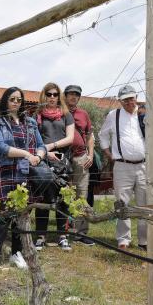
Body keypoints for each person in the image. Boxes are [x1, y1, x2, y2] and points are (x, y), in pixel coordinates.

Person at [0, 87, 47, 272]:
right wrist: (27, 154)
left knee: (21, 213)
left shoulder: (30, 122)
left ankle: (16, 252)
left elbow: (41, 145)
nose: (16, 102)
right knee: (1, 213)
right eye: (12, 99)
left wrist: (40, 156)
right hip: (3, 170)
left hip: (24, 171)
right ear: (5, 101)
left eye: (19, 100)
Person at [98, 85, 147, 250]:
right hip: (122, 165)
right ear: (120, 101)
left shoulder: (144, 113)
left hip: (144, 165)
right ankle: (123, 239)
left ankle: (144, 241)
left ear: (136, 97)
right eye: (125, 99)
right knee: (122, 203)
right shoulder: (114, 115)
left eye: (131, 98)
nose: (129, 102)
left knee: (144, 204)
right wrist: (108, 153)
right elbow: (102, 134)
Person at [34, 82, 75, 251]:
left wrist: (51, 146)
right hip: (43, 160)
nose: (52, 97)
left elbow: (70, 138)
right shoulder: (37, 115)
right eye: (49, 94)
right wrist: (44, 151)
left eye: (55, 94)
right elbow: (34, 138)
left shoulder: (66, 115)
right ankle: (40, 236)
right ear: (44, 95)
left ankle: (62, 236)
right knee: (42, 198)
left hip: (62, 160)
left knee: (63, 199)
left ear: (59, 97)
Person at [63, 85, 96, 245]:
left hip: (81, 157)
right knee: (64, 195)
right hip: (62, 159)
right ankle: (64, 232)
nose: (74, 97)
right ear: (65, 96)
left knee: (82, 195)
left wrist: (90, 154)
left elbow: (90, 136)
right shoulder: (58, 112)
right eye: (71, 94)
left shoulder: (84, 114)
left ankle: (81, 234)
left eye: (77, 95)